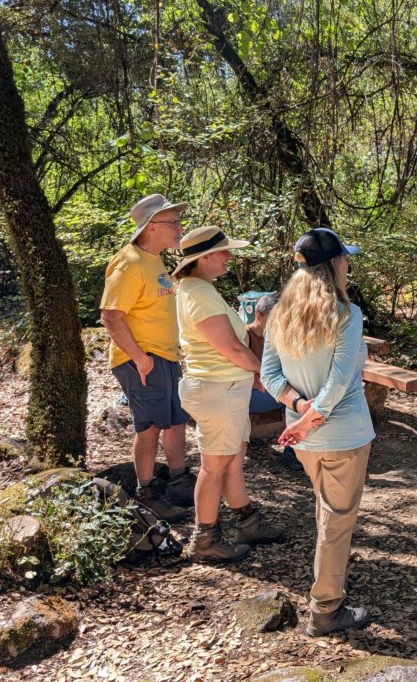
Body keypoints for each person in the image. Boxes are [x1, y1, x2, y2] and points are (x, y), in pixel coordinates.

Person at [260, 227, 376, 636]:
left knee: (328, 512)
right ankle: (326, 608)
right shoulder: (347, 313)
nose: (348, 265)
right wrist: (313, 414)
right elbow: (340, 380)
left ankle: (330, 587)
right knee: (337, 521)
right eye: (345, 258)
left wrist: (299, 409)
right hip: (342, 435)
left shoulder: (281, 313)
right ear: (334, 264)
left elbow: (269, 376)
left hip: (306, 439)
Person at [174, 226, 285, 563]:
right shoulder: (199, 294)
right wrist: (263, 374)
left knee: (232, 460)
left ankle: (247, 524)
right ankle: (205, 539)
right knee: (214, 466)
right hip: (217, 391)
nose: (229, 256)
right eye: (223, 251)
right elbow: (232, 349)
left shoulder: (201, 289)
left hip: (225, 389)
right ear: (205, 257)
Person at [100, 194, 192, 523]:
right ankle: (147, 495)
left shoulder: (154, 260)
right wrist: (139, 358)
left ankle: (180, 484)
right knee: (150, 426)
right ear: (151, 226)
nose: (180, 228)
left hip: (164, 356)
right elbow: (111, 315)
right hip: (142, 360)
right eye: (174, 222)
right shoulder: (129, 262)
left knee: (176, 420)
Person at [245, 293, 303, 472]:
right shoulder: (245, 336)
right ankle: (293, 452)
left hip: (271, 391)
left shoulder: (281, 338)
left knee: (300, 394)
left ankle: (296, 449)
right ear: (258, 315)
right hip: (250, 395)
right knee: (297, 398)